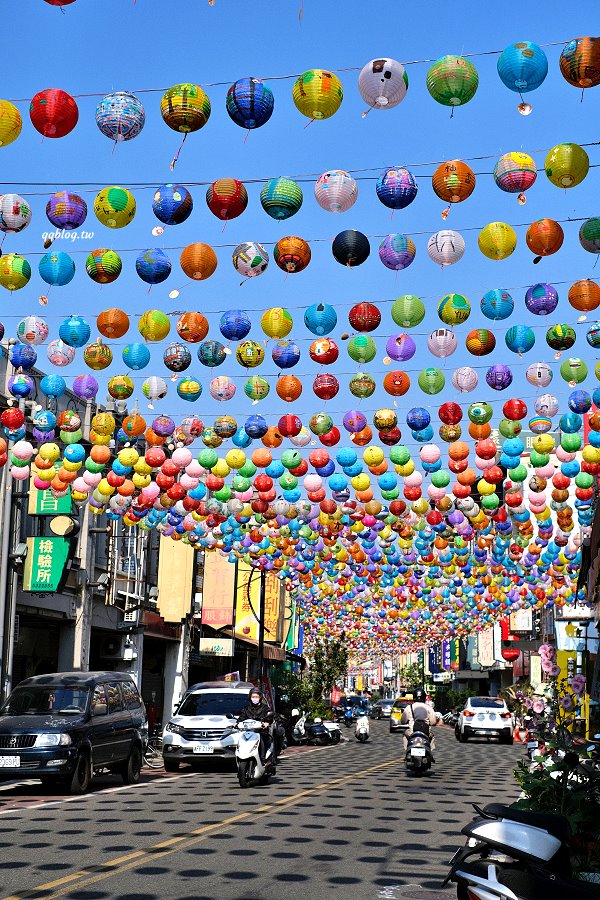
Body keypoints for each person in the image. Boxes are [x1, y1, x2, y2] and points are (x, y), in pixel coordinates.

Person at [237, 688, 273, 764]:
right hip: (248, 731)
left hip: (261, 731)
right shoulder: (246, 708)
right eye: (253, 697)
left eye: (256, 697)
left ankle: (263, 759)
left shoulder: (265, 708)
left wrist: (267, 722)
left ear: (260, 697)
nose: (255, 698)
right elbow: (241, 718)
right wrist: (237, 723)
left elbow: (270, 716)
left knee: (262, 739)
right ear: (250, 697)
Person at [401, 688, 440, 758]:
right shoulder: (429, 708)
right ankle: (430, 752)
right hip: (425, 733)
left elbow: (403, 721)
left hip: (412, 732)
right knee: (432, 736)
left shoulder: (409, 707)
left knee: (404, 734)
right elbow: (433, 722)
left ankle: (407, 751)